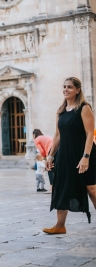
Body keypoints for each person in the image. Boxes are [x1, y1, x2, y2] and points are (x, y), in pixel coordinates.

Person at [44, 77, 96, 234]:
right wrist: (50, 156)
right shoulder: (60, 111)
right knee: (62, 188)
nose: (66, 89)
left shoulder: (84, 107)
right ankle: (60, 225)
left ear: (78, 90)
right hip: (65, 155)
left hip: (84, 154)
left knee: (91, 188)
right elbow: (57, 135)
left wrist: (86, 156)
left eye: (70, 87)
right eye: (64, 86)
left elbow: (89, 134)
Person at [33, 129, 54, 193]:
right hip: (58, 147)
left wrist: (44, 158)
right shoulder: (45, 137)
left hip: (51, 150)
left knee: (50, 168)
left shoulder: (36, 139)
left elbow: (41, 151)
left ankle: (51, 188)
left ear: (34, 135)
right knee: (55, 167)